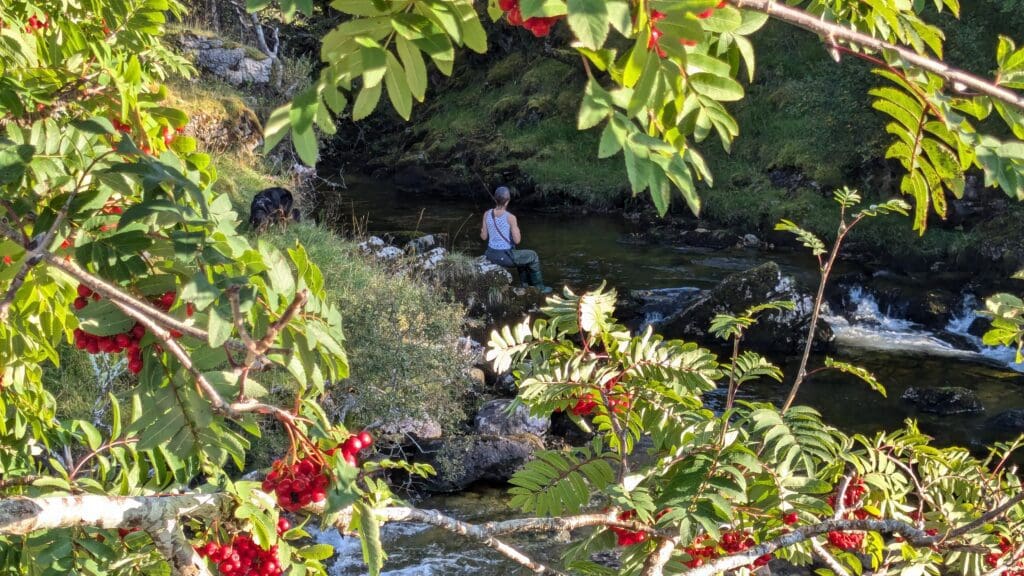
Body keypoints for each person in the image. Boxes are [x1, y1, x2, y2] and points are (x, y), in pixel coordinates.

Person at [481, 186, 552, 294]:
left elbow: (484, 237)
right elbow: (517, 240)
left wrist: (482, 229)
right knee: (532, 255)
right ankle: (539, 287)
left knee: (520, 256)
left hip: (490, 254)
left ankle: (525, 285)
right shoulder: (510, 217)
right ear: (507, 201)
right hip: (504, 257)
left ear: (495, 199)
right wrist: (517, 229)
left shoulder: (487, 214)